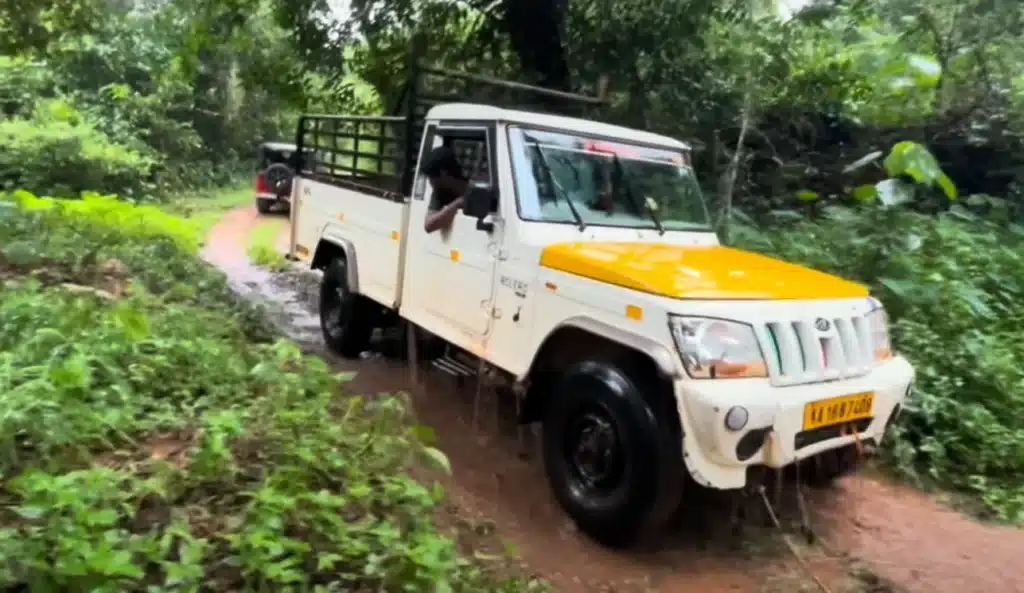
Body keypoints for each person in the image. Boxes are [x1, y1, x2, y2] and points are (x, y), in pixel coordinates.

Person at [422, 146, 470, 233]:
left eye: (431, 177)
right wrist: (455, 204)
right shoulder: (440, 192)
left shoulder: (472, 188)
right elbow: (429, 225)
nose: (430, 182)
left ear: (443, 173)